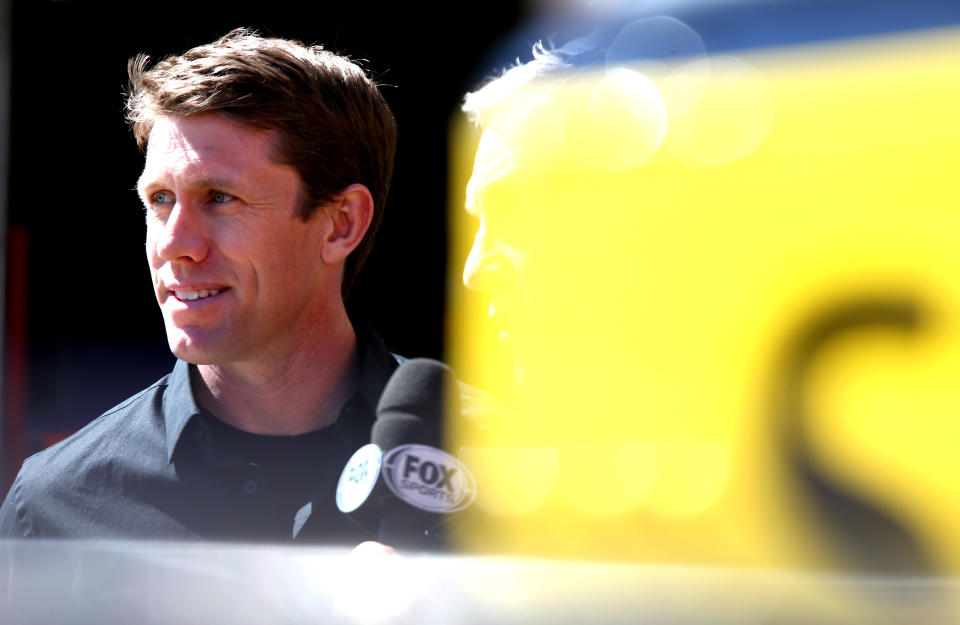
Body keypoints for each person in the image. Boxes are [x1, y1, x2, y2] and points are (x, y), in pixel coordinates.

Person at [0, 29, 402, 543]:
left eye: (219, 197)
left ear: (341, 223)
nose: (174, 244)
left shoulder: (500, 464)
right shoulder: (54, 505)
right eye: (160, 200)